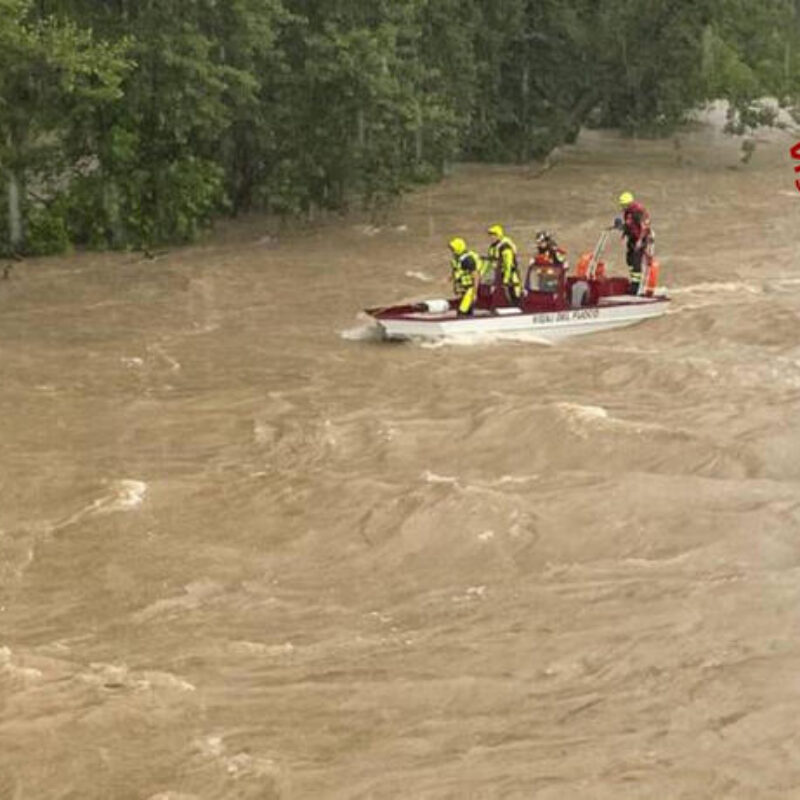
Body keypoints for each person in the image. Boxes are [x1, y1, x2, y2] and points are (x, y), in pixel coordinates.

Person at [617, 191, 653, 295]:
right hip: (632, 238)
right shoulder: (628, 212)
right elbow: (629, 225)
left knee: (636, 262)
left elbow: (644, 227)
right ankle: (634, 281)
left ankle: (635, 287)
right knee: (629, 260)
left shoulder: (638, 211)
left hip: (640, 239)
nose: (622, 207)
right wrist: (624, 234)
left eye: (623, 205)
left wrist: (640, 241)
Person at [486, 223, 522, 305]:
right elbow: (489, 262)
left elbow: (508, 264)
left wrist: (506, 279)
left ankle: (516, 307)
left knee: (515, 294)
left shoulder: (505, 247)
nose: (491, 237)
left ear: (499, 235)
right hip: (498, 273)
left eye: (494, 235)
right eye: (491, 235)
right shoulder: (493, 247)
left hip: (510, 275)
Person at [448, 237, 481, 317]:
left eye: (453, 248)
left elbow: (476, 276)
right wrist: (450, 277)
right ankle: (470, 319)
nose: (452, 251)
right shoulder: (457, 258)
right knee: (466, 308)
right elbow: (456, 269)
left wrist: (474, 293)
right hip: (462, 287)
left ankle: (465, 321)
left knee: (462, 310)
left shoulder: (468, 260)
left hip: (470, 288)